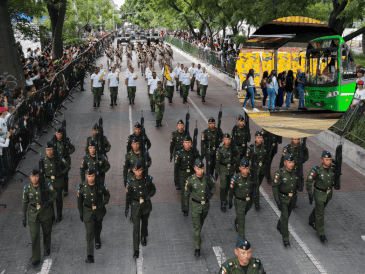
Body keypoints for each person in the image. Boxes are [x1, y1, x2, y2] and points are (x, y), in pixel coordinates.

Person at [22, 169, 57, 267]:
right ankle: (36, 258)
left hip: (45, 212)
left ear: (39, 177)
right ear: (30, 177)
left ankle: (47, 247)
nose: (34, 179)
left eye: (36, 176)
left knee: (47, 232)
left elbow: (54, 194)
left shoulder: (46, 185)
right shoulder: (27, 188)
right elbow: (24, 202)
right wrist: (23, 216)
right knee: (34, 235)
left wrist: (49, 202)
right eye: (32, 177)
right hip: (33, 214)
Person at [77, 167, 110, 263]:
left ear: (95, 176)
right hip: (87, 211)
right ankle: (90, 255)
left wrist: (104, 202)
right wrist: (81, 212)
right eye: (88, 176)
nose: (90, 178)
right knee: (89, 233)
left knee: (98, 227)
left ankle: (98, 240)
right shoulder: (82, 187)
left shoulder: (100, 185)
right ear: (86, 176)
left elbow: (107, 194)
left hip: (99, 210)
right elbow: (79, 201)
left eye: (92, 176)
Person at [184, 158, 215, 257]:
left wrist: (211, 193)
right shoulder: (190, 180)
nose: (200, 171)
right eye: (198, 169)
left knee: (201, 222)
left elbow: (213, 186)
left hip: (205, 205)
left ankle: (197, 236)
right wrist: (186, 206)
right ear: (194, 169)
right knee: (196, 226)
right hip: (195, 206)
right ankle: (197, 248)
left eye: (202, 169)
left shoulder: (208, 178)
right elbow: (186, 193)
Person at [125, 160, 156, 259]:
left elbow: (153, 189)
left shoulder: (148, 179)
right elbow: (128, 195)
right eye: (136, 170)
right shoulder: (130, 181)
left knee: (145, 223)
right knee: (135, 227)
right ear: (133, 171)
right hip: (135, 206)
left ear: (143, 170)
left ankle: (143, 236)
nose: (138, 172)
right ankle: (136, 250)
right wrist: (126, 208)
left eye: (140, 170)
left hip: (146, 205)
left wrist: (149, 195)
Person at [306, 151, 340, 243]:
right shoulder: (316, 169)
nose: (328, 161)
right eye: (326, 159)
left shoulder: (333, 169)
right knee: (320, 214)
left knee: (320, 208)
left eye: (330, 160)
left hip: (328, 194)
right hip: (319, 193)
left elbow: (337, 176)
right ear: (322, 160)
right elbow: (309, 181)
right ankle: (321, 234)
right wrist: (309, 193)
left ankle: (311, 219)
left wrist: (337, 163)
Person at [273, 153, 301, 246]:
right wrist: (277, 200)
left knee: (287, 215)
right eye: (289, 162)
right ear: (285, 162)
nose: (291, 164)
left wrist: (301, 184)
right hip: (283, 198)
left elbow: (299, 182)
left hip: (293, 198)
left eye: (292, 162)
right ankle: (286, 239)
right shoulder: (280, 173)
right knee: (285, 218)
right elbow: (275, 187)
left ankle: (279, 225)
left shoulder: (296, 171)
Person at [175, 135, 201, 214]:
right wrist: (176, 179)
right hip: (182, 175)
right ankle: (185, 208)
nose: (187, 144)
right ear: (183, 143)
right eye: (185, 142)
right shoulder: (179, 153)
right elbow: (176, 167)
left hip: (192, 174)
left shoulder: (195, 151)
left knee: (194, 191)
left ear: (191, 143)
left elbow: (199, 162)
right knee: (184, 192)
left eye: (189, 142)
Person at [229, 157, 254, 237]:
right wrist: (230, 200)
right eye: (243, 168)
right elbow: (231, 191)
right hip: (239, 202)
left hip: (249, 201)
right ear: (240, 168)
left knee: (243, 214)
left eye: (247, 168)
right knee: (242, 221)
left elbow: (254, 187)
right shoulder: (235, 178)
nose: (245, 171)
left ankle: (236, 221)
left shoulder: (251, 176)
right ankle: (241, 239)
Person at [43, 141, 67, 222]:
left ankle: (59, 215)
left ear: (54, 150)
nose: (48, 152)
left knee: (59, 200)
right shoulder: (43, 160)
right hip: (49, 182)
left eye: (50, 149)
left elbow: (67, 166)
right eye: (47, 150)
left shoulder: (59, 158)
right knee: (50, 200)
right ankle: (52, 216)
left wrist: (62, 173)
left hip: (58, 182)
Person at [216, 133, 240, 212]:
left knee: (228, 186)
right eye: (225, 139)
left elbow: (238, 155)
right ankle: (223, 202)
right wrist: (217, 171)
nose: (227, 141)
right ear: (223, 140)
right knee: (223, 186)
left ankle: (225, 197)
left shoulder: (233, 148)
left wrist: (235, 162)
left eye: (229, 139)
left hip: (231, 169)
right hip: (223, 169)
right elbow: (218, 161)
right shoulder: (220, 150)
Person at [246, 131, 267, 209]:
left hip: (262, 169)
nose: (259, 139)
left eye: (261, 138)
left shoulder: (264, 147)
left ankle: (252, 193)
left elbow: (266, 158)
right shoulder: (251, 148)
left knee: (257, 185)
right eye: (258, 138)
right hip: (255, 170)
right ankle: (257, 203)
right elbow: (247, 159)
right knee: (257, 185)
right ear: (255, 138)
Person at [53, 127, 75, 197]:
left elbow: (73, 148)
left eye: (60, 134)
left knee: (65, 175)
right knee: (58, 175)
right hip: (57, 161)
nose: (58, 136)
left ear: (62, 134)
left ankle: (65, 190)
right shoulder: (53, 141)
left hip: (65, 160)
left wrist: (68, 153)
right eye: (57, 134)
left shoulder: (67, 140)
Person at [170, 120, 186, 189]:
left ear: (184, 126)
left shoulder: (186, 133)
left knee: (184, 167)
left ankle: (184, 181)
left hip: (184, 153)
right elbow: (172, 145)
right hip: (177, 153)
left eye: (182, 125)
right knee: (177, 168)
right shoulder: (174, 134)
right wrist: (171, 154)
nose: (180, 127)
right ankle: (177, 183)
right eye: (179, 125)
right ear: (177, 126)